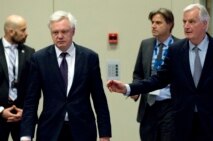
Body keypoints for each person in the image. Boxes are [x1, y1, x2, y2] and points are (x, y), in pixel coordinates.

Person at [107, 3, 213, 141]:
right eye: (184, 21)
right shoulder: (176, 50)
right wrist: (128, 88)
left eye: (191, 21)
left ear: (205, 24)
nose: (186, 26)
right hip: (181, 125)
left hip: (212, 124)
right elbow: (158, 79)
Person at [20, 10, 112, 141]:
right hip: (50, 130)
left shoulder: (89, 57)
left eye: (64, 31)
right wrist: (26, 135)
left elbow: (99, 98)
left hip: (83, 130)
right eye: (55, 32)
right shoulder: (39, 59)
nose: (59, 36)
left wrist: (105, 134)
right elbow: (31, 100)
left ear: (73, 31)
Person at [130, 8, 179, 141]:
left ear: (169, 24)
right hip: (148, 106)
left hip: (170, 105)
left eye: (158, 23)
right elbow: (138, 73)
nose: (153, 26)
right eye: (152, 22)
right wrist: (135, 89)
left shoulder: (179, 46)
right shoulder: (146, 44)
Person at [0, 15, 35, 141]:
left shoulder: (30, 53)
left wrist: (25, 111)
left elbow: (33, 87)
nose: (26, 33)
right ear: (11, 31)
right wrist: (1, 111)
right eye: (23, 30)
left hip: (22, 116)